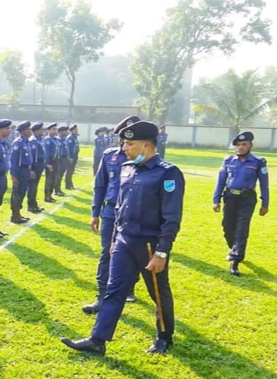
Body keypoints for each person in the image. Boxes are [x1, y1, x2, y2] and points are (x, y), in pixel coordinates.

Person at [61, 120, 185, 355]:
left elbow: (172, 217)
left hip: (149, 244)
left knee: (158, 292)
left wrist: (161, 252)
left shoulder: (167, 173)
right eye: (124, 143)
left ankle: (164, 337)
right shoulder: (127, 168)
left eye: (130, 144)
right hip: (123, 241)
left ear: (146, 145)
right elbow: (120, 207)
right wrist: (115, 239)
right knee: (114, 289)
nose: (124, 148)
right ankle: (97, 339)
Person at [83, 116, 139, 315]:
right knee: (107, 253)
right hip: (110, 212)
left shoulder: (143, 159)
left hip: (133, 214)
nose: (125, 142)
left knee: (132, 253)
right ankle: (102, 296)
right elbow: (100, 186)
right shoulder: (109, 156)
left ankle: (129, 287)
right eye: (123, 137)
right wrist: (95, 213)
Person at [213, 132, 269, 276]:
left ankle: (236, 260)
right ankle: (234, 249)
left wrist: (265, 203)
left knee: (242, 228)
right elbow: (221, 181)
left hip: (247, 198)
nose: (241, 147)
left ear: (251, 145)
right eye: (238, 145)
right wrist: (216, 200)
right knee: (227, 226)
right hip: (230, 197)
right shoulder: (228, 160)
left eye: (244, 144)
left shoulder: (258, 162)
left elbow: (264, 184)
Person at [10, 121, 34, 224]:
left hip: (25, 170)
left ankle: (18, 213)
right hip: (20, 171)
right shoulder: (18, 143)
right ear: (23, 131)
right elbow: (14, 161)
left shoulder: (26, 142)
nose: (30, 131)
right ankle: (15, 215)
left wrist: (30, 169)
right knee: (17, 193)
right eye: (28, 129)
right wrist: (14, 176)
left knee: (22, 192)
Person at [26, 122, 46, 213]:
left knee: (35, 186)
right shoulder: (33, 141)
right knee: (32, 186)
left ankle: (34, 204)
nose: (43, 131)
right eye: (41, 129)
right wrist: (31, 169)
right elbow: (31, 157)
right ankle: (31, 206)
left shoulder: (40, 140)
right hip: (35, 166)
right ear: (36, 131)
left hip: (39, 165)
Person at [43, 123, 59, 203]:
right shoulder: (47, 140)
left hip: (56, 161)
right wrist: (47, 163)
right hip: (50, 161)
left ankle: (50, 195)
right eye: (53, 129)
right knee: (49, 180)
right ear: (48, 130)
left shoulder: (55, 139)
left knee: (54, 179)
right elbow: (46, 153)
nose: (55, 131)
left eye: (56, 129)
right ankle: (47, 196)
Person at [54, 126, 69, 197]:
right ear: (60, 132)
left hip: (64, 159)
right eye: (65, 131)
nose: (67, 132)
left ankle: (59, 189)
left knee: (61, 175)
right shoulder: (58, 140)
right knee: (58, 175)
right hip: (59, 159)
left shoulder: (64, 139)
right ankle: (57, 190)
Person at [65, 124, 80, 190]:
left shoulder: (75, 137)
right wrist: (69, 157)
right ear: (71, 131)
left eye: (76, 129)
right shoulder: (70, 138)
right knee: (69, 170)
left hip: (75, 155)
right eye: (75, 130)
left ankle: (70, 183)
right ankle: (68, 185)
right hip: (71, 156)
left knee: (72, 170)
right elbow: (68, 148)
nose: (76, 131)